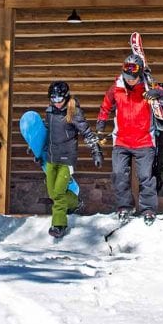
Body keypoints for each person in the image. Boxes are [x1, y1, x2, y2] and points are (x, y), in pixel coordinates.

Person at [96, 54, 163, 226]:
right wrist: (101, 121)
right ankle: (124, 207)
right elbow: (106, 104)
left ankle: (148, 209)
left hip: (144, 140)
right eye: (127, 77)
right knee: (118, 175)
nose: (130, 81)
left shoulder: (148, 86)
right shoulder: (116, 87)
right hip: (121, 140)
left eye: (133, 78)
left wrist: (158, 93)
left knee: (146, 177)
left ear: (139, 75)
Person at [38, 81, 104, 239]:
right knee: (52, 192)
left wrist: (96, 152)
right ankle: (75, 203)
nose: (57, 102)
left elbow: (87, 133)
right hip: (52, 157)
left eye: (59, 99)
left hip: (67, 159)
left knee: (59, 193)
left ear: (66, 97)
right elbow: (47, 131)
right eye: (53, 99)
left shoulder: (74, 112)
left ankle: (59, 225)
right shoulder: (50, 111)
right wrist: (37, 147)